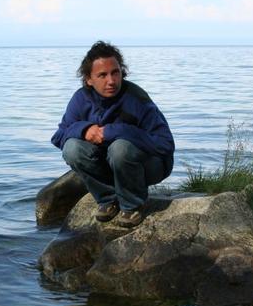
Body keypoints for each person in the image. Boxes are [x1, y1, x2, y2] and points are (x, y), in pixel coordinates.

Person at [51, 41, 174, 227]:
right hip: (110, 165)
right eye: (102, 75)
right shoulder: (80, 99)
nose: (111, 80)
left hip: (150, 166)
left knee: (120, 148)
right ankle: (108, 200)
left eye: (115, 72)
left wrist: (116, 131)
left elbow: (165, 144)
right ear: (89, 79)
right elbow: (58, 137)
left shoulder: (136, 99)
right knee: (72, 148)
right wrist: (84, 129)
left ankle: (132, 205)